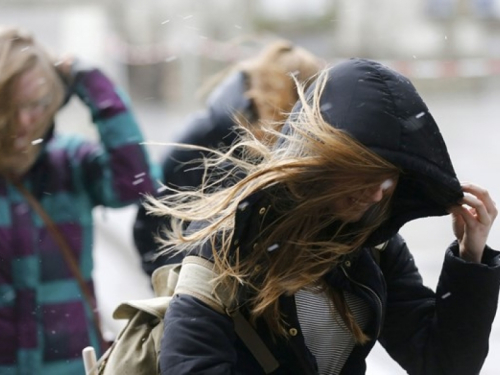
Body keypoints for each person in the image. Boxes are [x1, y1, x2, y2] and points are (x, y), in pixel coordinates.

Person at [147, 58, 500, 375]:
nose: (377, 193)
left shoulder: (376, 244)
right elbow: (190, 365)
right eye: (365, 173)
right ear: (324, 159)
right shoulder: (230, 238)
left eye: (390, 178)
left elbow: (442, 363)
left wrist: (470, 258)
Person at [0, 27, 155, 374]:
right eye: (14, 106)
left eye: (39, 105)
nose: (27, 120)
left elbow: (135, 181)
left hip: (70, 365)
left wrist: (92, 82)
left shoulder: (69, 163)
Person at [133, 40, 323, 275]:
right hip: (198, 291)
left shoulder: (304, 151)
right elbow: (153, 220)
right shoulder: (205, 137)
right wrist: (185, 285)